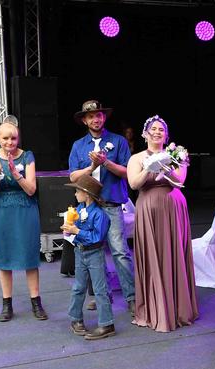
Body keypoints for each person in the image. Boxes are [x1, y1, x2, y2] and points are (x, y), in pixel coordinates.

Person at [127, 115, 198, 332]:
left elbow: (180, 180)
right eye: (153, 129)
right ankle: (157, 308)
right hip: (149, 208)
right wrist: (150, 166)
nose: (157, 132)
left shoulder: (177, 153)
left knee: (173, 252)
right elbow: (133, 183)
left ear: (166, 135)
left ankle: (178, 308)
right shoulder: (136, 158)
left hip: (173, 206)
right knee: (153, 255)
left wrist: (166, 166)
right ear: (145, 134)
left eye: (161, 130)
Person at [68, 100, 135, 316]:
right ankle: (101, 295)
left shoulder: (118, 141)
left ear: (103, 117)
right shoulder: (79, 146)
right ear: (84, 120)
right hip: (89, 206)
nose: (95, 119)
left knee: (119, 251)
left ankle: (131, 297)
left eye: (99, 115)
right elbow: (72, 176)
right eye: (91, 116)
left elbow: (128, 172)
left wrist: (105, 162)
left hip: (112, 204)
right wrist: (92, 166)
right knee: (94, 253)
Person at [0, 118, 48, 322]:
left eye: (13, 138)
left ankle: (36, 302)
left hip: (25, 209)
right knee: (4, 258)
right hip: (2, 210)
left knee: (30, 256)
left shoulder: (27, 156)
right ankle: (6, 304)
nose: (9, 142)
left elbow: (32, 189)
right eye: (5, 138)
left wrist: (15, 174)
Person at [61, 175, 115, 340]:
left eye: (77, 191)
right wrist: (69, 229)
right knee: (78, 286)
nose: (75, 194)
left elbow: (97, 237)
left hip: (94, 254)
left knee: (100, 289)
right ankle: (75, 318)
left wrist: (77, 232)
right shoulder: (79, 209)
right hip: (80, 252)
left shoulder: (100, 215)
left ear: (87, 194)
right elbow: (75, 232)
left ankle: (107, 323)